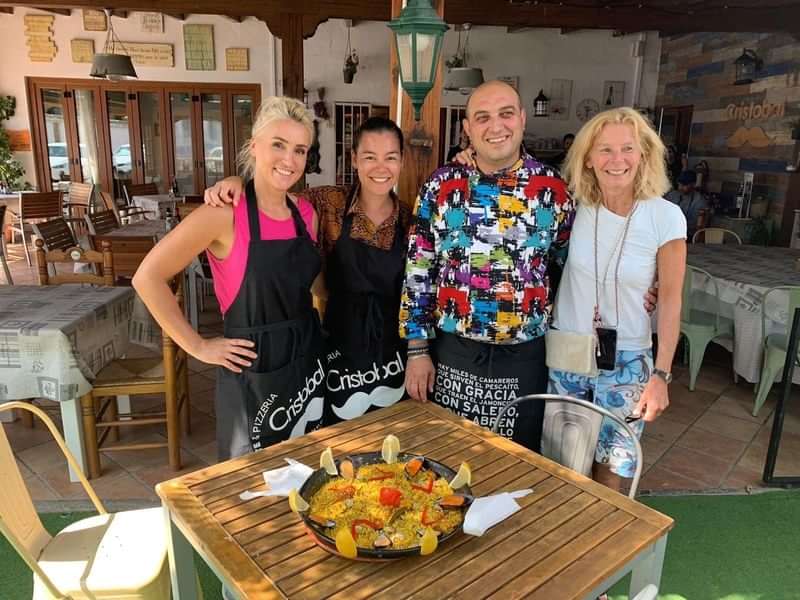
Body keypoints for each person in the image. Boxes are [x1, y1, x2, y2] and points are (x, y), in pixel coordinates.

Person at [132, 96, 326, 461]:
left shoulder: (306, 213)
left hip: (306, 360)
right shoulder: (223, 213)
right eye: (278, 145)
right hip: (252, 369)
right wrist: (198, 346)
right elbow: (148, 277)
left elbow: (310, 285)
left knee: (309, 470)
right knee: (252, 484)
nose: (289, 160)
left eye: (300, 150)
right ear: (254, 146)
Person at [400, 80, 574, 452]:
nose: (496, 127)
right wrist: (417, 351)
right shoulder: (441, 186)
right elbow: (419, 270)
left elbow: (570, 261)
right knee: (451, 456)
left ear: (523, 119)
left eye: (506, 114)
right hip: (455, 353)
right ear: (467, 129)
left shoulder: (552, 188)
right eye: (483, 117)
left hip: (525, 355)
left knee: (519, 461)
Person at [204, 117, 413, 423]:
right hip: (337, 351)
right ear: (354, 159)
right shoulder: (326, 203)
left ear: (401, 161)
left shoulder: (412, 218)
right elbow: (271, 196)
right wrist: (236, 183)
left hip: (393, 354)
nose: (380, 168)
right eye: (370, 157)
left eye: (390, 157)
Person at [549, 107, 686, 493]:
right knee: (562, 466)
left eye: (627, 148)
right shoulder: (571, 208)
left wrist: (661, 374)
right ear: (588, 159)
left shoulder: (666, 216)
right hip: (569, 351)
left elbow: (672, 300)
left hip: (627, 358)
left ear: (643, 154)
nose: (616, 160)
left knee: (614, 471)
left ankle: (605, 550)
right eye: (605, 149)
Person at [666, 169, 708, 239]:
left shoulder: (699, 201)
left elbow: (695, 225)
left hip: (687, 235)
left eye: (684, 185)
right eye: (679, 184)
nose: (680, 187)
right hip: (668, 233)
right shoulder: (672, 195)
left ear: (693, 184)